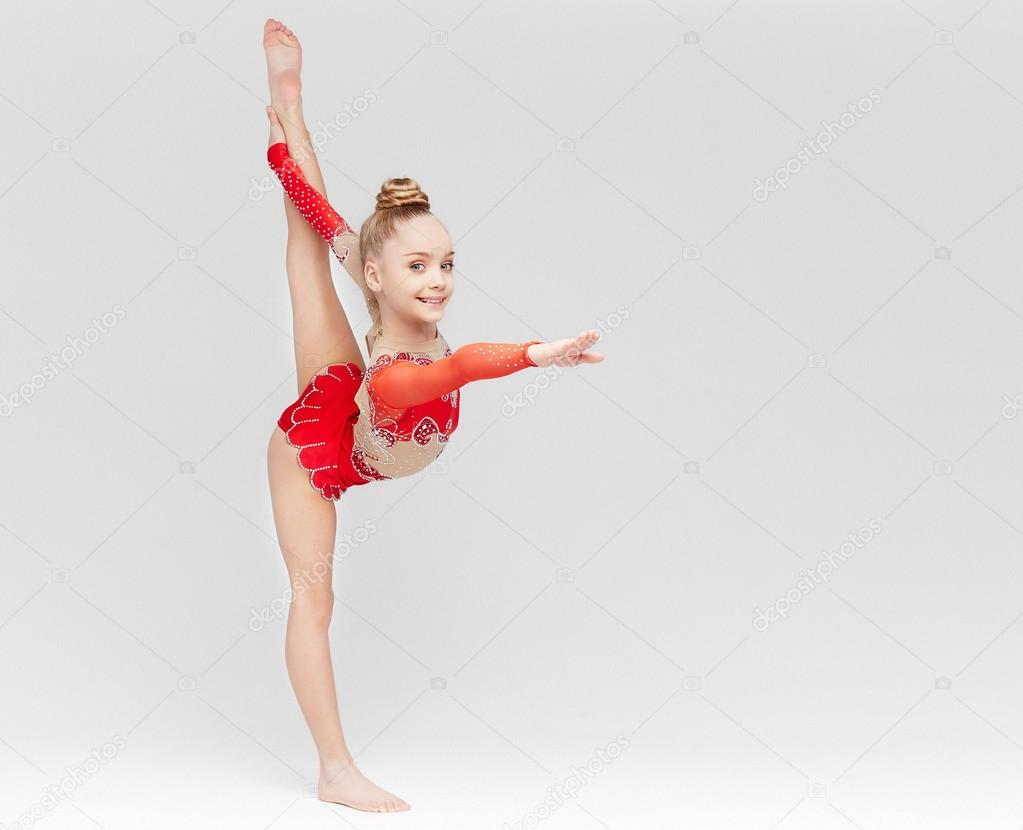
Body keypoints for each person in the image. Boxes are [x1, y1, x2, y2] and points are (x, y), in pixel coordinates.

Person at [261, 17, 603, 813]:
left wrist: (288, 127)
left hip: (337, 395)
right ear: (374, 276)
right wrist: (532, 353)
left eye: (446, 263)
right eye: (418, 266)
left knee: (311, 226)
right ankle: (334, 770)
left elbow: (319, 205)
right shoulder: (393, 378)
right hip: (321, 449)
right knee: (315, 600)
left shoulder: (377, 273)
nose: (439, 280)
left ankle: (288, 99)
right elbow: (455, 367)